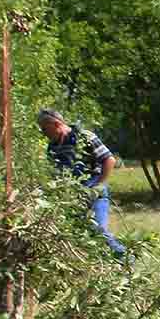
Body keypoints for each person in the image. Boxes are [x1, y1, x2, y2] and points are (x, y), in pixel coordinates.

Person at [38, 108, 125, 258]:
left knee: (99, 230)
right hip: (72, 196)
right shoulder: (53, 146)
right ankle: (102, 264)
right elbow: (55, 172)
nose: (43, 133)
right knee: (80, 234)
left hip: (94, 189)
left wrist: (98, 185)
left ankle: (125, 258)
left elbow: (109, 160)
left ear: (56, 124)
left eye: (45, 129)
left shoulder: (84, 137)